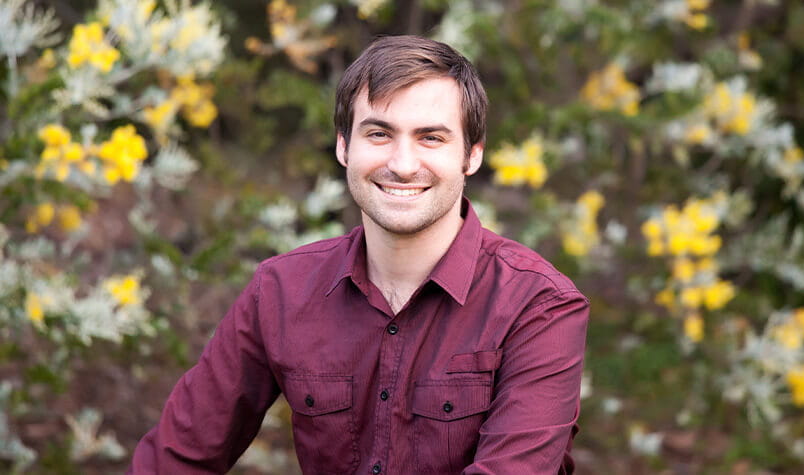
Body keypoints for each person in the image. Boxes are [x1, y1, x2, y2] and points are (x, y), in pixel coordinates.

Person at [130, 35, 589, 474]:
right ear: (344, 146)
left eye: (431, 138)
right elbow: (177, 459)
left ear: (471, 156)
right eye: (379, 134)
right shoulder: (281, 290)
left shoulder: (539, 306)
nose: (403, 164)